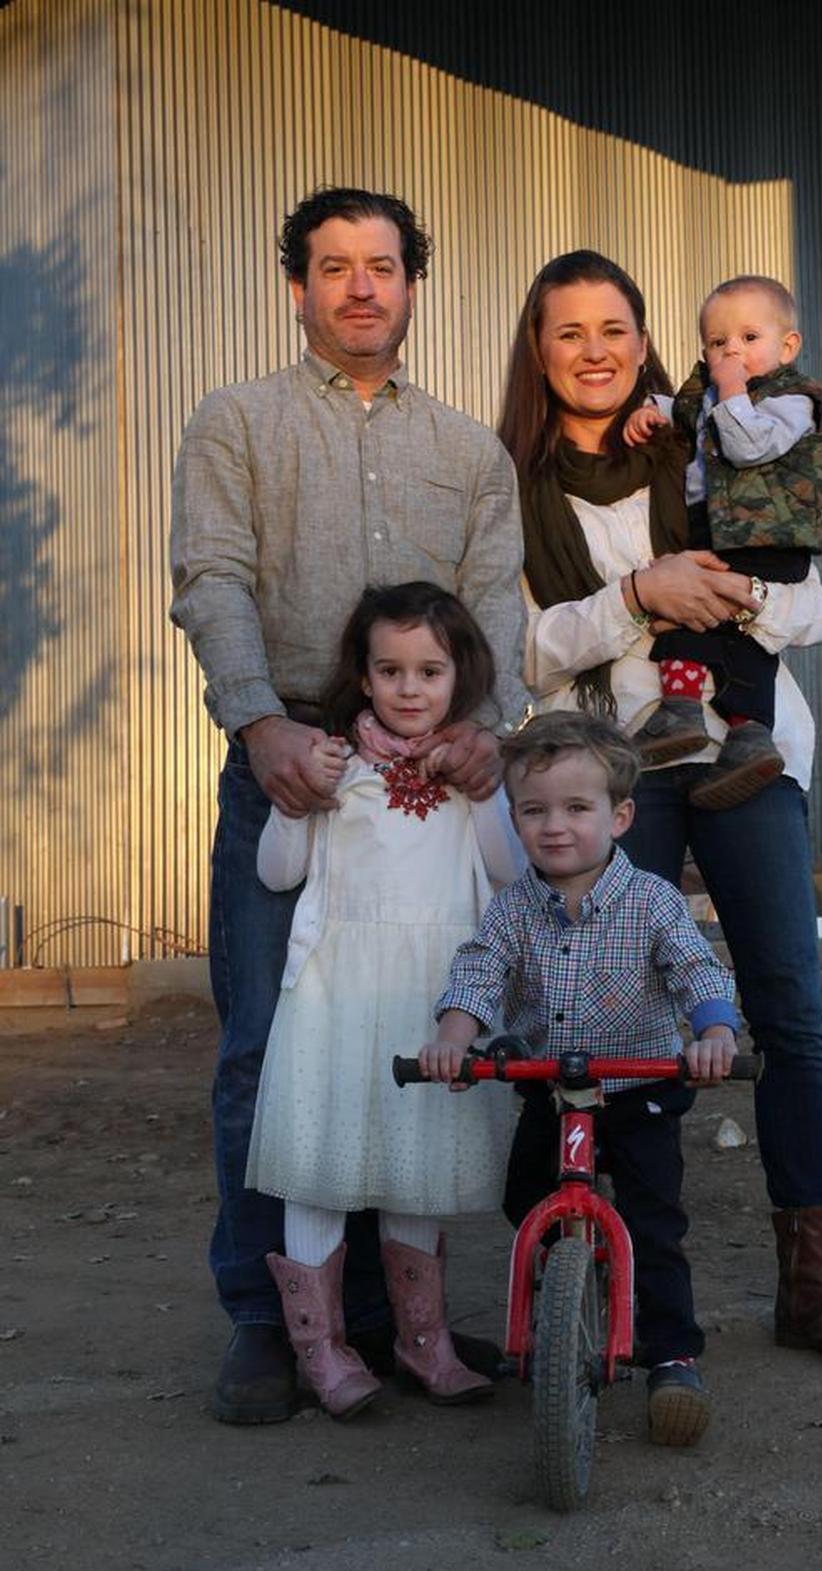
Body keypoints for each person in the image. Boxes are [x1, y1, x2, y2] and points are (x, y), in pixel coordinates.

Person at [497, 250, 822, 1373]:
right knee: (609, 1018)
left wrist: (732, 595)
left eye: (615, 327)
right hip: (615, 769)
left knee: (785, 1006)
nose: (595, 350)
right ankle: (610, 1266)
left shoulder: (709, 436)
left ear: (645, 338)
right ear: (539, 351)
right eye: (569, 331)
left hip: (746, 750)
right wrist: (639, 597)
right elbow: (524, 645)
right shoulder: (514, 487)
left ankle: (810, 1285)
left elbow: (812, 600)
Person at [169, 186, 528, 1425]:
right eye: (334, 266)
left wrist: (493, 726)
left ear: (414, 284)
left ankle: (391, 1319)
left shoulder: (469, 450)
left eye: (383, 265)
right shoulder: (238, 423)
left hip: (433, 793)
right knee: (270, 1049)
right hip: (294, 771)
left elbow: (500, 600)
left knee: (420, 1044)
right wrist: (260, 719)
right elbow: (210, 575)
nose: (361, 286)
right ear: (299, 286)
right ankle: (269, 1322)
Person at [420, 711, 741, 1447]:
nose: (554, 826)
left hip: (640, 1086)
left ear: (619, 815)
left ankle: (671, 1357)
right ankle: (559, 1313)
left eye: (576, 808)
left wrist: (715, 1033)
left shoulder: (653, 901)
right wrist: (453, 1039)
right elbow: (479, 972)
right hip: (553, 1086)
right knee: (523, 1196)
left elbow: (696, 968)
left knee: (655, 1223)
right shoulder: (510, 909)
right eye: (533, 810)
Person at [246, 583, 524, 1415]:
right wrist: (298, 798)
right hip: (336, 993)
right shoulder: (338, 765)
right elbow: (276, 873)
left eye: (430, 670)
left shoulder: (471, 772)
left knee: (415, 1161)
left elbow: (509, 872)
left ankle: (422, 1341)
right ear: (363, 679)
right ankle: (321, 1351)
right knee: (320, 1168)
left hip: (433, 995)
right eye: (391, 669)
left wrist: (484, 794)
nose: (410, 687)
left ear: (458, 676)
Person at [623, 275, 822, 810]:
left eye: (748, 338)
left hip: (768, 535)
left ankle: (747, 733)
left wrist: (733, 390)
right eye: (719, 343)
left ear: (787, 347)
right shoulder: (713, 394)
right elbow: (685, 412)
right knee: (692, 615)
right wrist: (652, 409)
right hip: (718, 530)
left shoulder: (794, 400)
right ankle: (684, 712)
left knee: (740, 638)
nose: (732, 352)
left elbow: (747, 447)